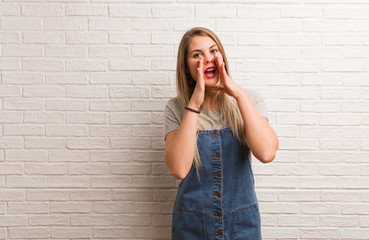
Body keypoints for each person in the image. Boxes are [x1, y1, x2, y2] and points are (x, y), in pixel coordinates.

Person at [164, 27, 279, 240]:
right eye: (197, 55)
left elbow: (266, 153)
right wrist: (195, 103)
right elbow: (179, 169)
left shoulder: (248, 100)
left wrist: (237, 94)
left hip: (242, 225)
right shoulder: (176, 109)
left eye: (213, 51)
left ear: (222, 57)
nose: (207, 59)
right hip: (192, 226)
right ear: (186, 68)